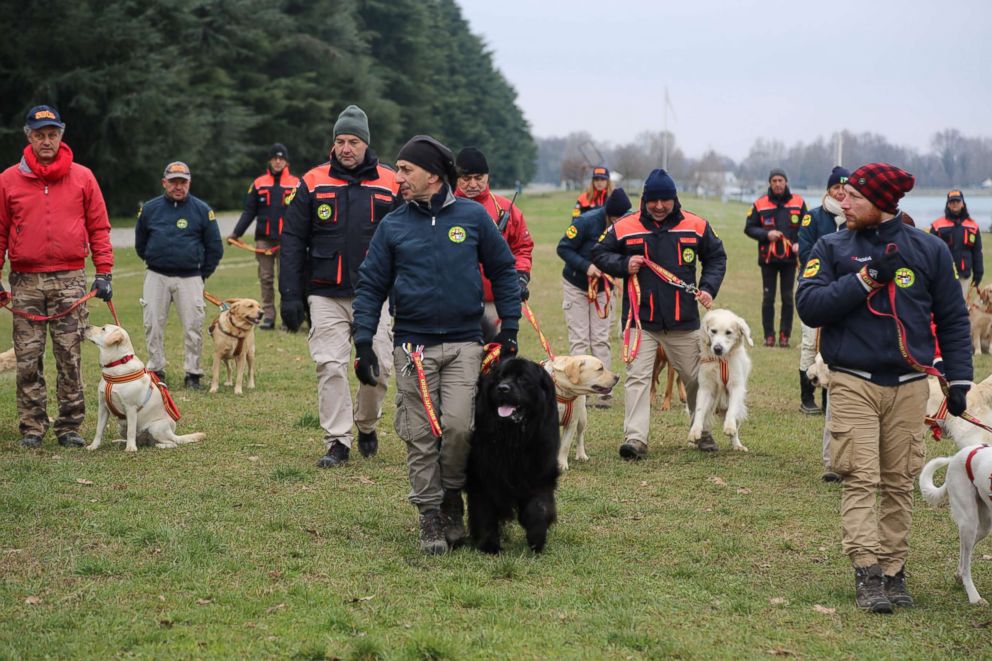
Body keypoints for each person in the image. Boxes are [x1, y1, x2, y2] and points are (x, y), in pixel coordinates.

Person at [796, 162, 972, 613]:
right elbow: (810, 305)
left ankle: (894, 572)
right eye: (841, 195)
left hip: (911, 385)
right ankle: (867, 573)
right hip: (852, 381)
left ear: (882, 202)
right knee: (860, 479)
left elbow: (953, 320)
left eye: (852, 196)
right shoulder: (830, 245)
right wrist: (867, 278)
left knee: (897, 482)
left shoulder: (930, 250)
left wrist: (959, 379)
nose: (843, 202)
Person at [351, 135, 521, 555]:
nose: (399, 177)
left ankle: (452, 498)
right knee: (421, 435)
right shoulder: (393, 224)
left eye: (406, 170)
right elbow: (371, 285)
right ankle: (430, 515)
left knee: (460, 428)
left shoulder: (473, 218)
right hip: (413, 347)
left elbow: (503, 269)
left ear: (432, 175)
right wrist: (363, 341)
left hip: (466, 343)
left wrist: (510, 326)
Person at [279, 105, 400, 468]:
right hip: (324, 291)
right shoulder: (313, 181)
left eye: (354, 141)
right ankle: (337, 442)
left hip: (374, 293)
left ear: (366, 143)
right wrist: (289, 294)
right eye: (340, 141)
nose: (346, 148)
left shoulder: (392, 182)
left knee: (377, 370)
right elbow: (292, 239)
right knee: (330, 364)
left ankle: (365, 424)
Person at [591, 169, 727, 459]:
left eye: (665, 200)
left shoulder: (696, 225)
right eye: (653, 201)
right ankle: (635, 439)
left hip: (683, 322)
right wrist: (624, 263)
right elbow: (599, 252)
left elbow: (716, 256)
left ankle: (701, 431)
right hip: (640, 321)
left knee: (696, 378)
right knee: (638, 378)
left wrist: (708, 287)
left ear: (674, 199)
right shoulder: (625, 226)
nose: (659, 206)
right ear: (644, 200)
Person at [0, 105, 114, 448]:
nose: (46, 141)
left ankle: (69, 427)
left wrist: (104, 271)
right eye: (39, 135)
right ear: (28, 137)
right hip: (26, 281)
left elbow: (99, 227)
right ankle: (32, 428)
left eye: (52, 134)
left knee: (70, 356)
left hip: (71, 280)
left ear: (61, 135)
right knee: (27, 358)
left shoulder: (83, 176)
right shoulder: (8, 180)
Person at [135, 161, 223, 390]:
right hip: (157, 275)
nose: (178, 186)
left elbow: (215, 247)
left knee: (194, 325)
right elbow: (140, 243)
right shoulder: (150, 209)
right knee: (152, 324)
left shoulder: (202, 210)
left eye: (182, 182)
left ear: (189, 183)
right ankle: (156, 369)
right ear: (164, 182)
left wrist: (201, 274)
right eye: (173, 182)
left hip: (191, 278)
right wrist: (155, 259)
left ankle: (193, 373)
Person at [797, 166, 849, 482]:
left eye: (846, 189)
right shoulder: (815, 218)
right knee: (809, 345)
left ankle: (832, 397)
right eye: (837, 188)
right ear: (829, 190)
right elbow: (805, 250)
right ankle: (807, 395)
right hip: (816, 288)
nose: (841, 194)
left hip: (848, 293)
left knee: (836, 353)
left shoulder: (857, 218)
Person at [557, 187, 632, 407]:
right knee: (579, 338)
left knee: (600, 338)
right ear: (609, 214)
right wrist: (586, 266)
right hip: (576, 284)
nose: (620, 222)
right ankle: (580, 390)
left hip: (603, 289)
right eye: (617, 218)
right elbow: (563, 248)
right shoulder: (585, 222)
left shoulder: (626, 227)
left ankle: (603, 390)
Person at [454, 147, 532, 340]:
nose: (473, 184)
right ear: (455, 177)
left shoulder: (505, 208)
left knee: (494, 360)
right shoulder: (444, 208)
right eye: (466, 178)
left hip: (494, 301)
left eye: (479, 178)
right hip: (453, 303)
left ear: (487, 177)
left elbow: (522, 247)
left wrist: (520, 276)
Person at [228, 143, 300, 329]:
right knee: (266, 279)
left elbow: (301, 213)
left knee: (286, 279)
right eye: (275, 158)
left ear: (286, 161)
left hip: (287, 241)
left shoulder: (295, 183)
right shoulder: (259, 183)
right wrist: (236, 233)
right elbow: (249, 212)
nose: (278, 161)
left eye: (281, 158)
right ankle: (268, 316)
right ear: (269, 160)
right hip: (264, 240)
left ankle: (287, 318)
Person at [745, 168, 807, 347]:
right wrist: (766, 234)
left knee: (788, 297)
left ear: (786, 182)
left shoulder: (798, 202)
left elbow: (807, 227)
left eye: (780, 180)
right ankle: (768, 336)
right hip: (768, 260)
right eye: (774, 181)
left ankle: (784, 336)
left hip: (789, 260)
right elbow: (749, 227)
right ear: (770, 183)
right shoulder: (760, 204)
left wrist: (799, 243)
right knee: (768, 298)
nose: (778, 184)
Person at [929, 189, 983, 298]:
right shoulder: (937, 225)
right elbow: (930, 251)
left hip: (964, 275)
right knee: (943, 304)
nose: (955, 204)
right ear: (948, 204)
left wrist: (978, 273)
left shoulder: (973, 226)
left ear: (963, 204)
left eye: (957, 201)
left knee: (961, 305)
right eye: (952, 202)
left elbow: (977, 252)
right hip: (943, 273)